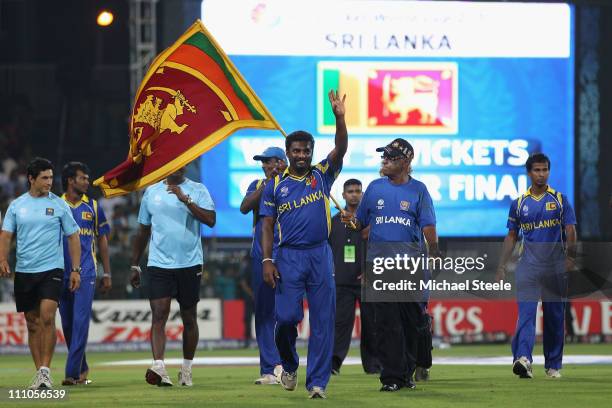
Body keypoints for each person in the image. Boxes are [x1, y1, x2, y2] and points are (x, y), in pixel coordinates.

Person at [260, 90, 347, 399]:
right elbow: (267, 224)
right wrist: (267, 260)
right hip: (288, 258)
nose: (301, 156)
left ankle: (317, 383)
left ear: (311, 152)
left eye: (306, 151)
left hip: (320, 255)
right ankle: (289, 363)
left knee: (323, 322)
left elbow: (341, 147)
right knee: (285, 319)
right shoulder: (274, 186)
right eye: (296, 151)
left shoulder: (322, 175)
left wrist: (340, 118)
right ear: (288, 152)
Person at [343, 138, 439, 392]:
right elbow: (359, 223)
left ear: (406, 162)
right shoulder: (374, 188)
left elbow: (428, 226)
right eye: (383, 155)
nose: (383, 160)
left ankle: (410, 370)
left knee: (412, 323)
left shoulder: (419, 190)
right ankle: (391, 378)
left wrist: (436, 253)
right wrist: (350, 221)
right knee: (386, 324)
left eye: (390, 156)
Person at [129, 167, 216, 387]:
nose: (179, 166)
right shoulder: (151, 192)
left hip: (190, 263)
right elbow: (143, 231)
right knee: (159, 315)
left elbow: (211, 220)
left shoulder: (197, 189)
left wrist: (185, 199)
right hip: (159, 263)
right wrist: (134, 264)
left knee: (189, 318)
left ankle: (186, 369)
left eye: (182, 163)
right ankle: (159, 366)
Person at [0, 157, 82, 389]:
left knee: (47, 317)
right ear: (31, 179)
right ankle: (39, 373)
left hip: (52, 269)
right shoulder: (17, 206)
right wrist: (2, 258)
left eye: (50, 177)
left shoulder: (59, 205)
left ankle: (46, 370)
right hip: (25, 270)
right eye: (44, 178)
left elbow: (73, 237)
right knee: (32, 322)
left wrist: (75, 269)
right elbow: (6, 235)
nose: (49, 182)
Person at [496, 153, 576, 379]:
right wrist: (501, 266)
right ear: (529, 173)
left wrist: (570, 256)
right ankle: (523, 359)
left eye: (545, 170)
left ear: (549, 171)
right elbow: (511, 236)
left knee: (554, 317)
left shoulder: (560, 200)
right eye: (537, 170)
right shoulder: (519, 203)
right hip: (528, 267)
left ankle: (553, 365)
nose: (541, 174)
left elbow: (570, 229)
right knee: (526, 315)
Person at [59, 161, 111, 385]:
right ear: (71, 181)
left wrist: (106, 273)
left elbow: (102, 240)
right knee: (68, 324)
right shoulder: (55, 205)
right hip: (60, 272)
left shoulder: (93, 206)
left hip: (87, 272)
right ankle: (82, 368)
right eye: (83, 178)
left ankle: (71, 373)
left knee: (80, 322)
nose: (87, 182)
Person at [239, 146, 287, 384]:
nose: (265, 166)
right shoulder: (258, 184)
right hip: (262, 257)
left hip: (289, 256)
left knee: (286, 313)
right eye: (264, 163)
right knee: (264, 314)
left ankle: (285, 363)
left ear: (282, 162)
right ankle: (270, 368)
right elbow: (245, 207)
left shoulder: (294, 184)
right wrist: (269, 183)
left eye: (270, 162)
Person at [329, 178, 380, 375]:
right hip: (341, 281)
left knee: (371, 325)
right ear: (343, 195)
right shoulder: (333, 223)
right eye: (350, 191)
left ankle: (373, 365)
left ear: (363, 195)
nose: (354, 194)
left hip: (368, 282)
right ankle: (334, 363)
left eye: (358, 191)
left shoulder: (370, 223)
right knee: (341, 325)